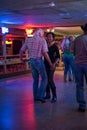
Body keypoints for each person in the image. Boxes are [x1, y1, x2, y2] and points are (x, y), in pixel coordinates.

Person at [20, 29, 54, 103]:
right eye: (42, 34)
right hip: (38, 61)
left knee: (35, 80)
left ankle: (35, 97)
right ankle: (40, 96)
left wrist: (21, 58)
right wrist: (51, 63)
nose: (43, 35)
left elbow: (21, 50)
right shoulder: (42, 40)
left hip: (31, 61)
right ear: (40, 34)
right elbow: (45, 53)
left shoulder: (28, 40)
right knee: (45, 78)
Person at [71, 23, 87, 112]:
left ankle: (82, 106)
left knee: (79, 85)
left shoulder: (77, 39)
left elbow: (73, 52)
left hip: (78, 64)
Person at [44, 32, 60, 103]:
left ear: (53, 38)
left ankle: (54, 96)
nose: (49, 38)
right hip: (45, 64)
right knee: (46, 80)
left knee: (50, 80)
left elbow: (58, 57)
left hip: (52, 64)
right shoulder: (45, 45)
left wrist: (54, 64)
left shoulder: (55, 46)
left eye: (50, 37)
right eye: (48, 37)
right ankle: (48, 94)